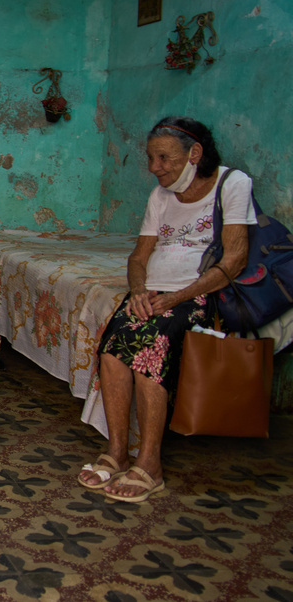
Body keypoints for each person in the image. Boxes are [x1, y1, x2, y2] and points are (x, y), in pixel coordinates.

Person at [77, 117, 255, 502]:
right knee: (110, 352)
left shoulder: (232, 184)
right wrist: (138, 290)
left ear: (195, 154)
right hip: (153, 293)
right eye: (151, 158)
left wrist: (176, 297)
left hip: (200, 294)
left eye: (164, 158)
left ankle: (150, 465)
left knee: (149, 355)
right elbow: (139, 256)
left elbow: (236, 259)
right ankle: (117, 453)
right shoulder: (160, 196)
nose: (155, 167)